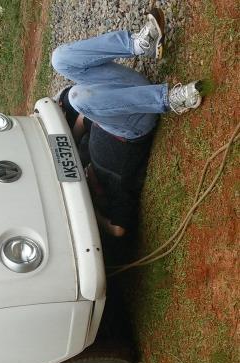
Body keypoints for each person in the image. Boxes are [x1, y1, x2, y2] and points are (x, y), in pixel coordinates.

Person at [52, 9, 205, 237]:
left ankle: (138, 45)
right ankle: (169, 100)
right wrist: (89, 211)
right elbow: (118, 231)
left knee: (60, 60)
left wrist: (83, 124)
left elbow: (81, 119)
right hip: (135, 127)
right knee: (78, 97)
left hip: (124, 96)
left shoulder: (82, 161)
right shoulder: (112, 193)